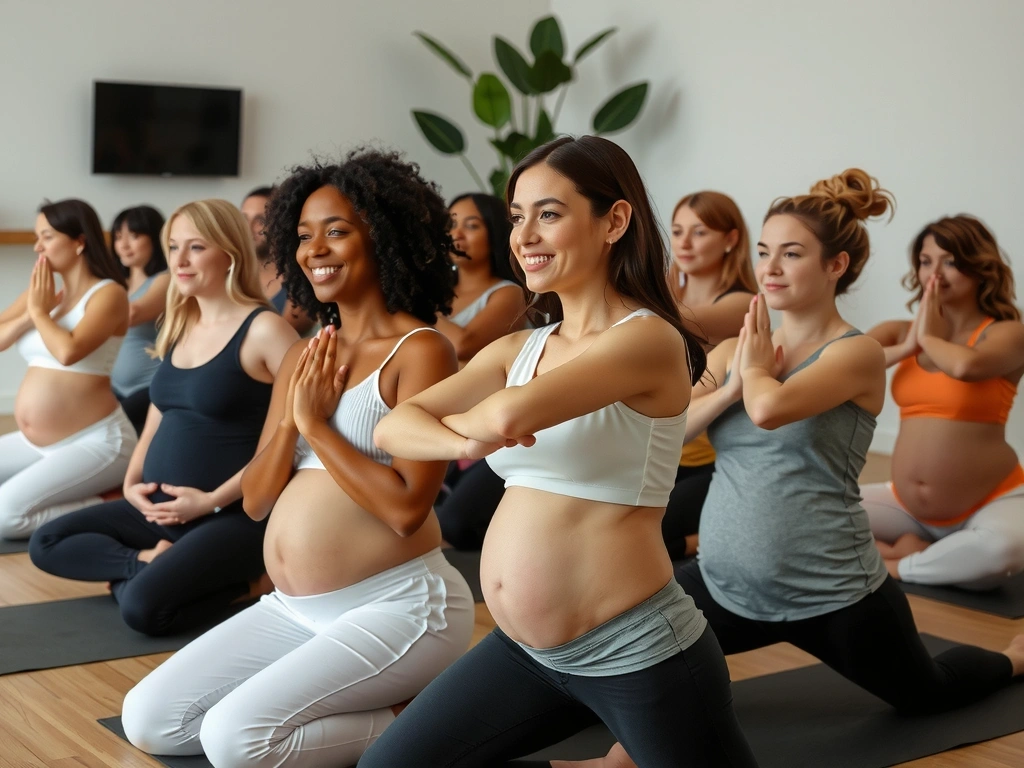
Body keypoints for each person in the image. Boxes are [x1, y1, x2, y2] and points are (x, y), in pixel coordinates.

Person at [362, 136, 758, 768]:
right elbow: (393, 426)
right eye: (517, 217)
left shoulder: (647, 339)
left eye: (548, 213)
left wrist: (475, 426)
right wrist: (467, 438)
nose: (524, 235)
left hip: (639, 652)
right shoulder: (520, 349)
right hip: (526, 654)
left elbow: (511, 412)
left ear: (615, 221)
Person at [119, 150, 475, 768]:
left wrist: (316, 424)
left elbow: (406, 511)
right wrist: (291, 416)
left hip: (399, 605)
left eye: (337, 231)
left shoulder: (421, 351)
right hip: (295, 609)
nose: (316, 250)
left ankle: (426, 722)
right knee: (149, 721)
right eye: (304, 237)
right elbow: (257, 499)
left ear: (383, 236)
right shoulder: (302, 356)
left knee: (235, 742)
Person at [670, 171, 1024, 724]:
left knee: (926, 694)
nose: (770, 268)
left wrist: (753, 373)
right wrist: (730, 389)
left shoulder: (853, 353)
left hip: (834, 591)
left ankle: (1010, 660)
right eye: (765, 252)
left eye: (791, 254)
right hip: (722, 581)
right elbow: (672, 432)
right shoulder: (737, 352)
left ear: (835, 266)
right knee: (623, 665)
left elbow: (768, 411)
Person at [29, 199, 297, 635]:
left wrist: (209, 501)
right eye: (173, 247)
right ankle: (146, 562)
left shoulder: (265, 330)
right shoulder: (181, 322)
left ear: (229, 252)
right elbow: (158, 416)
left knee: (141, 609)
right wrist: (132, 483)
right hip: (156, 508)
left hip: (227, 516)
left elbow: (286, 443)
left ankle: (252, 583)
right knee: (47, 541)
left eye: (195, 247)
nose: (180, 260)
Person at [864, 215, 1024, 589]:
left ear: (979, 266)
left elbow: (966, 366)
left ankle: (897, 566)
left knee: (1003, 550)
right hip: (904, 504)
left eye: (950, 261)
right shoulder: (899, 332)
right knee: (807, 513)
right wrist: (907, 346)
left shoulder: (1007, 333)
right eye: (925, 261)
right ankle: (920, 552)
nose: (935, 273)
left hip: (992, 502)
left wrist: (927, 337)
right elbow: (841, 360)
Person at [0, 199, 135, 539]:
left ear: (79, 241)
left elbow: (68, 351)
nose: (37, 246)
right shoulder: (42, 294)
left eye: (46, 236)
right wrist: (31, 314)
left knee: (6, 516)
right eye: (36, 237)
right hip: (38, 443)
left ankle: (113, 503)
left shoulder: (110, 295)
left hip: (98, 443)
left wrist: (41, 314)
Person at [665, 191, 756, 559]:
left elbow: (668, 321)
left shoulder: (741, 302)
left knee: (651, 533)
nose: (684, 243)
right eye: (676, 231)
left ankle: (697, 541)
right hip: (657, 452)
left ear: (731, 239)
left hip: (710, 462)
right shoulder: (665, 290)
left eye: (699, 232)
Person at [433, 192, 525, 548]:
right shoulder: (439, 294)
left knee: (450, 525)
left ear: (496, 235)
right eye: (452, 224)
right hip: (439, 420)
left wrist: (421, 306)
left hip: (491, 432)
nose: (457, 233)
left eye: (472, 225)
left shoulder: (508, 293)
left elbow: (463, 344)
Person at [109, 205, 171, 434]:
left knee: (109, 430)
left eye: (134, 236)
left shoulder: (164, 280)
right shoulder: (117, 284)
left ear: (155, 238)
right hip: (115, 386)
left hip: (148, 385)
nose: (123, 245)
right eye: (118, 237)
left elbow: (131, 315)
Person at [242, 186, 316, 335]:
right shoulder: (234, 273)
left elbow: (284, 334)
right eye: (244, 219)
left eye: (260, 220)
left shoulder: (302, 278)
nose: (248, 228)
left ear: (282, 224)